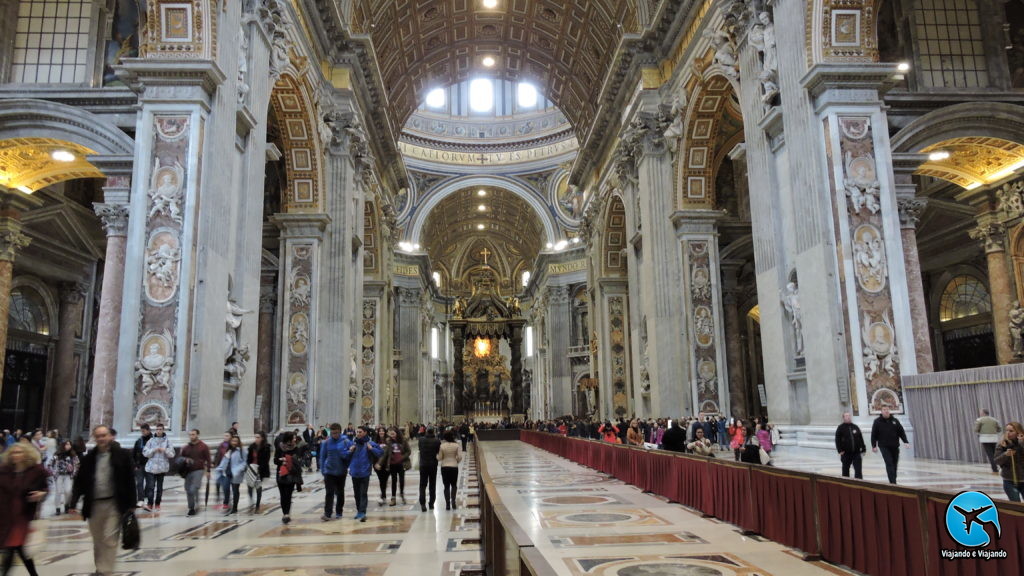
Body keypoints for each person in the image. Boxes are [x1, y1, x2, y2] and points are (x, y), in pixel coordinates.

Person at [69, 425, 136, 576]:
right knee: (98, 540)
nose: (101, 439)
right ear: (95, 438)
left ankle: (106, 571)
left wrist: (132, 503)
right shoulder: (89, 459)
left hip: (114, 503)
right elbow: (79, 482)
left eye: (104, 435)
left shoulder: (122, 455)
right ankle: (100, 568)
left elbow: (129, 480)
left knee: (110, 539)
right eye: (98, 436)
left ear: (110, 437)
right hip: (94, 504)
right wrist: (73, 502)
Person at [0, 442, 47, 575]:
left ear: (26, 454)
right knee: (18, 547)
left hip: (22, 514)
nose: (16, 455)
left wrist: (42, 494)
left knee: (12, 546)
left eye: (19, 452)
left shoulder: (35, 471)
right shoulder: (4, 471)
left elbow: (44, 487)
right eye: (14, 452)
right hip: (6, 513)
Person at [347, 426, 383, 522]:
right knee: (356, 494)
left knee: (363, 493)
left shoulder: (370, 443)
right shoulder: (353, 443)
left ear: (365, 433)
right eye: (357, 431)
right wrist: (350, 450)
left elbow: (380, 453)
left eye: (360, 432)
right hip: (354, 472)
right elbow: (345, 454)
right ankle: (359, 511)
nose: (358, 433)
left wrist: (371, 449)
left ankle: (362, 512)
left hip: (365, 472)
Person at [318, 423, 352, 521]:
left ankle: (339, 511)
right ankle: (327, 513)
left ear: (340, 431)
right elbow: (322, 457)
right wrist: (323, 470)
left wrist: (347, 466)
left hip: (341, 471)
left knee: (340, 493)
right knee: (329, 493)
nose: (334, 435)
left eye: (336, 433)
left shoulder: (345, 441)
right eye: (332, 433)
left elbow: (351, 453)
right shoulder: (326, 442)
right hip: (329, 471)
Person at [870, 407, 910, 484]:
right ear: (881, 412)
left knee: (894, 463)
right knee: (889, 463)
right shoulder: (877, 422)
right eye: (884, 410)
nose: (886, 411)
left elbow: (901, 432)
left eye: (887, 410)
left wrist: (906, 441)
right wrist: (874, 445)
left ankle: (893, 479)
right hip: (884, 446)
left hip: (895, 446)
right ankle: (892, 482)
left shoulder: (895, 421)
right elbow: (873, 434)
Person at [178, 429, 211, 517]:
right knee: (188, 490)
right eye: (190, 435)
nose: (191, 436)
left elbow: (208, 459)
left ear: (197, 435)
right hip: (188, 471)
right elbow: (180, 458)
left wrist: (208, 470)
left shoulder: (203, 446)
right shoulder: (186, 447)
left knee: (193, 488)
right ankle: (192, 507)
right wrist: (185, 460)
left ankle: (194, 506)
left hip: (199, 470)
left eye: (193, 434)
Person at [142, 423, 174, 511]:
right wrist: (153, 450)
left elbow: (172, 454)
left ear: (163, 430)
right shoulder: (151, 441)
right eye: (157, 429)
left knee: (159, 488)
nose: (159, 431)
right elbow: (145, 452)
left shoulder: (167, 441)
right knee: (150, 487)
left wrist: (165, 450)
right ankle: (149, 503)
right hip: (151, 468)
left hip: (162, 468)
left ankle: (157, 504)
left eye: (160, 429)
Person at [273, 432, 303, 524]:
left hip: (291, 473)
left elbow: (298, 461)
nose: (295, 439)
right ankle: (285, 513)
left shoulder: (296, 448)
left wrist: (289, 460)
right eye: (293, 438)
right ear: (288, 439)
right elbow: (275, 460)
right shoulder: (280, 447)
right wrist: (282, 461)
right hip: (281, 473)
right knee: (282, 494)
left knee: (288, 494)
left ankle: (287, 514)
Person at [377, 428, 411, 506]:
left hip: (401, 464)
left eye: (393, 434)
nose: (391, 436)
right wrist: (380, 463)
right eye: (390, 434)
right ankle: (393, 498)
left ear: (397, 434)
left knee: (401, 480)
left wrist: (402, 457)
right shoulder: (389, 442)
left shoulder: (403, 441)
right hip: (392, 464)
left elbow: (408, 451)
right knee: (394, 481)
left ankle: (402, 495)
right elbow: (385, 454)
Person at [46, 439, 79, 515]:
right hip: (59, 475)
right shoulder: (57, 454)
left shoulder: (73, 454)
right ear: (63, 445)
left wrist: (74, 473)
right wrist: (54, 473)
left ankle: (66, 505)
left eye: (69, 444)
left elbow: (77, 464)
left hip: (68, 475)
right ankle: (57, 508)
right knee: (58, 492)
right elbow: (49, 464)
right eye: (66, 444)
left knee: (68, 491)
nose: (68, 446)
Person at [216, 435, 246, 515]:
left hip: (236, 474)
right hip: (228, 472)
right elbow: (224, 460)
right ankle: (226, 504)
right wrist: (220, 468)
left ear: (238, 442)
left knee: (235, 490)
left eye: (236, 441)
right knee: (226, 488)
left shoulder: (242, 450)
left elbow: (245, 462)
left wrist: (238, 469)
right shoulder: (228, 450)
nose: (234, 443)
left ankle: (235, 508)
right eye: (233, 441)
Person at [994, 422, 1024, 501]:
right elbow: (997, 461)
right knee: (1016, 504)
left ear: (1018, 432)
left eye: (1011, 431)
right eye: (1007, 430)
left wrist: (1022, 444)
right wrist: (1005, 455)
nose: (1008, 433)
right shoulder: (1002, 444)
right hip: (1009, 480)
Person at [834, 412, 867, 479]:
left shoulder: (855, 427)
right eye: (846, 416)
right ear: (843, 418)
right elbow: (837, 440)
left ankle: (859, 484)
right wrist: (840, 450)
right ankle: (846, 483)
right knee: (845, 470)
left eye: (849, 416)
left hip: (856, 453)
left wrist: (863, 448)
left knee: (858, 470)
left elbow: (860, 438)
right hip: (846, 453)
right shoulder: (840, 428)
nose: (848, 417)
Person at [418, 427, 441, 512]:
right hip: (433, 465)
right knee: (432, 484)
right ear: (433, 432)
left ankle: (422, 503)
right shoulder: (437, 441)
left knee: (422, 485)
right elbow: (438, 452)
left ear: (426, 431)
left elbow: (420, 449)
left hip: (423, 464)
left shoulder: (421, 440)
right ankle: (431, 503)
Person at [247, 432, 271, 513]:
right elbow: (248, 458)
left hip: (260, 470)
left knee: (258, 487)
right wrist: (249, 466)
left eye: (258, 437)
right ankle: (251, 502)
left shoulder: (266, 447)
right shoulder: (251, 447)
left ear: (262, 438)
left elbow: (266, 460)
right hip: (251, 468)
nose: (256, 439)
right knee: (250, 487)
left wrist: (259, 469)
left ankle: (257, 505)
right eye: (255, 437)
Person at [439, 430, 462, 510]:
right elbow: (459, 457)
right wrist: (456, 461)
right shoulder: (456, 445)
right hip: (454, 467)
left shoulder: (442, 446)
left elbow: (440, 458)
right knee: (454, 485)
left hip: (444, 467)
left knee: (446, 486)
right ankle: (453, 502)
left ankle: (447, 504)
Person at [131, 424, 152, 505]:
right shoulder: (139, 441)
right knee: (139, 483)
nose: (142, 433)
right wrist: (135, 465)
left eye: (144, 431)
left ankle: (149, 498)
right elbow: (134, 453)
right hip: (140, 465)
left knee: (150, 483)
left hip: (150, 465)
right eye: (141, 431)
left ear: (148, 430)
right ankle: (141, 499)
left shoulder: (154, 440)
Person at [975, 409, 1002, 474]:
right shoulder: (994, 420)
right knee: (994, 453)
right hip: (994, 438)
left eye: (981, 413)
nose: (980, 414)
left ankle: (995, 469)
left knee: (990, 454)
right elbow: (999, 429)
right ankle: (1000, 467)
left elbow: (976, 429)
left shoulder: (979, 420)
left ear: (983, 413)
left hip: (985, 438)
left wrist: (980, 432)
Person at [373, 426, 390, 505]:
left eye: (383, 431)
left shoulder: (388, 440)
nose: (381, 432)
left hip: (386, 464)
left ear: (385, 432)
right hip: (377, 464)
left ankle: (383, 495)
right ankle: (383, 495)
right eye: (380, 431)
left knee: (385, 480)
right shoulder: (375, 441)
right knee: (381, 480)